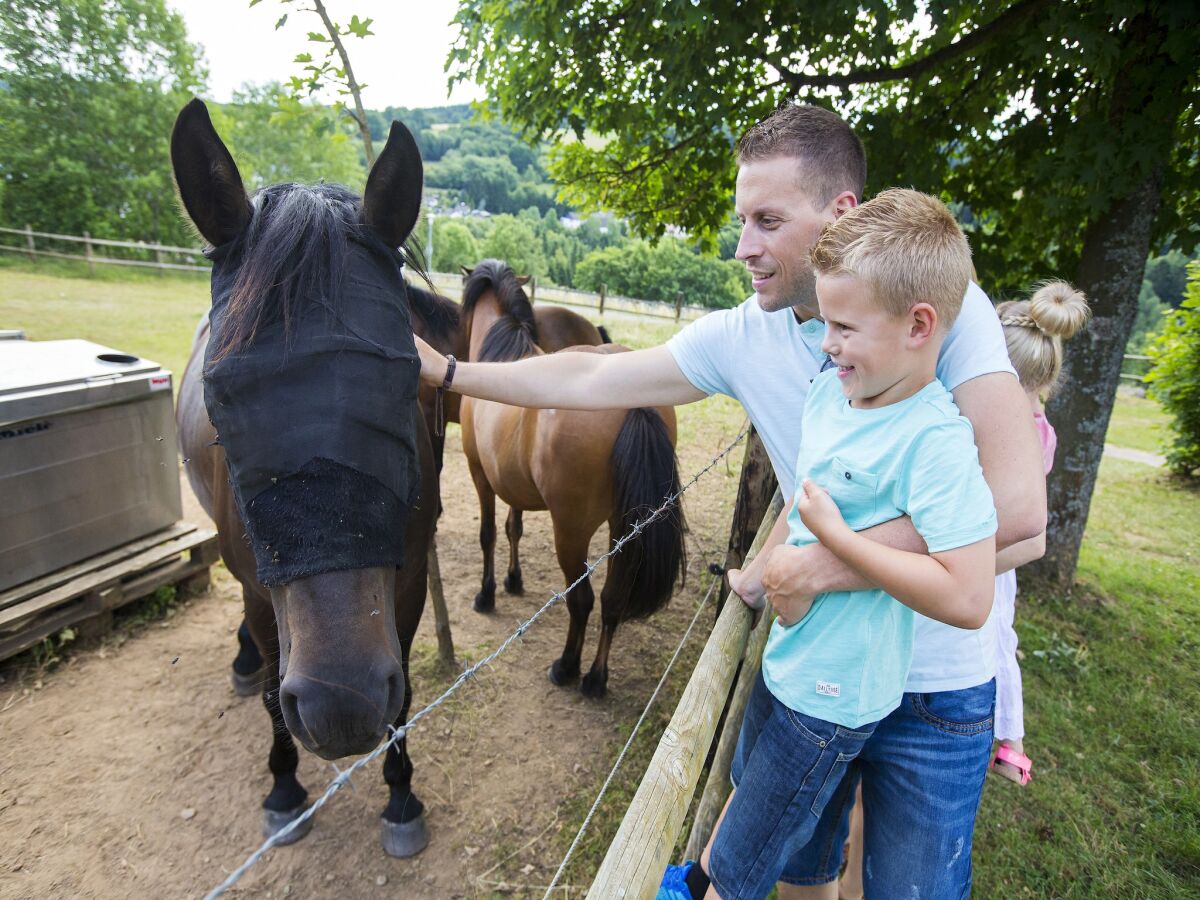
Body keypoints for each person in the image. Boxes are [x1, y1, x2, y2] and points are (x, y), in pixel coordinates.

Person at [415, 104, 1047, 897]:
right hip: (815, 676)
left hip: (936, 687)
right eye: (742, 218)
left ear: (839, 216)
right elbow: (590, 375)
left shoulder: (943, 318)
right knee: (803, 877)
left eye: (768, 220)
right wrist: (450, 375)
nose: (744, 246)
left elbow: (1018, 512)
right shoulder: (749, 336)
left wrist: (821, 567)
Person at [687, 188, 999, 897]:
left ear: (920, 325)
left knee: (731, 867)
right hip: (787, 666)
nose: (827, 343)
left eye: (845, 327)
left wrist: (839, 545)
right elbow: (807, 503)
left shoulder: (935, 442)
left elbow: (969, 595)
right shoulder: (832, 393)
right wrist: (767, 569)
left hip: (834, 700)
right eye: (825, 322)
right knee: (758, 823)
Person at [989, 280, 1091, 785]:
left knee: (991, 634)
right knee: (1000, 637)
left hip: (986, 549)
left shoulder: (995, 423)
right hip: (1002, 557)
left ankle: (1007, 737)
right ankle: (1011, 741)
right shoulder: (1041, 425)